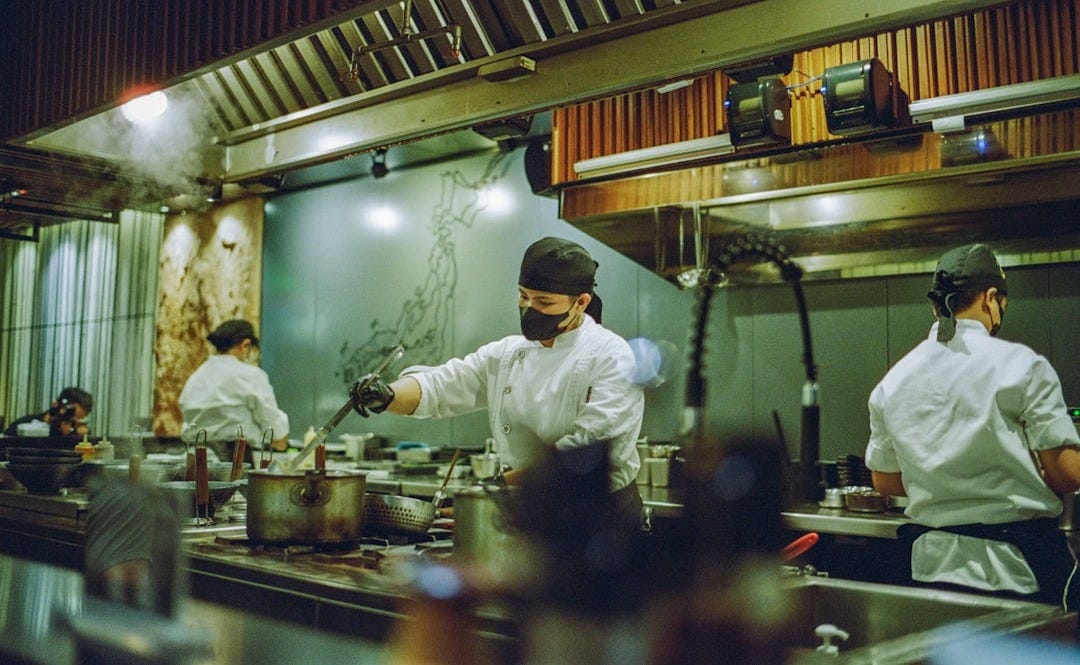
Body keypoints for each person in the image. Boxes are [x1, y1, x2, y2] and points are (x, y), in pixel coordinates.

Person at [352, 236, 646, 530]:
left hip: (598, 519)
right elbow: (442, 385)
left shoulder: (612, 357)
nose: (529, 308)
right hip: (528, 507)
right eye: (523, 296)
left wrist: (497, 488)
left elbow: (583, 456)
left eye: (544, 302)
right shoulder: (507, 353)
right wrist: (387, 395)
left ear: (581, 302)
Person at [864, 243, 1080, 608]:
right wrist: (1014, 469)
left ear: (936, 306)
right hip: (1017, 567)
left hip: (930, 566)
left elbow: (884, 480)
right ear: (990, 298)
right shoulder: (1022, 365)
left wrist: (945, 476)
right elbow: (1067, 475)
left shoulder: (894, 380)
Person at [179, 319, 289, 460]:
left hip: (195, 458)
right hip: (234, 459)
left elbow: (185, 413)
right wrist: (280, 439)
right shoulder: (250, 375)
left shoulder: (198, 376)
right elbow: (273, 427)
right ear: (246, 345)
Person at [3, 386, 94, 437]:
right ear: (56, 405)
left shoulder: (76, 432)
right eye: (70, 412)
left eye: (80, 418)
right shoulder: (26, 424)